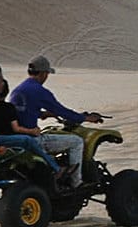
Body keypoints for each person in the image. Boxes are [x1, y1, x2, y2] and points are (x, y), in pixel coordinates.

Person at [10, 55, 102, 189]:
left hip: (16, 139)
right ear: (43, 73)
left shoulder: (18, 90)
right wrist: (86, 118)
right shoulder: (39, 91)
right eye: (47, 74)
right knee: (77, 142)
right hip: (33, 140)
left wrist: (44, 114)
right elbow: (62, 111)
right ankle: (76, 182)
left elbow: (22, 111)